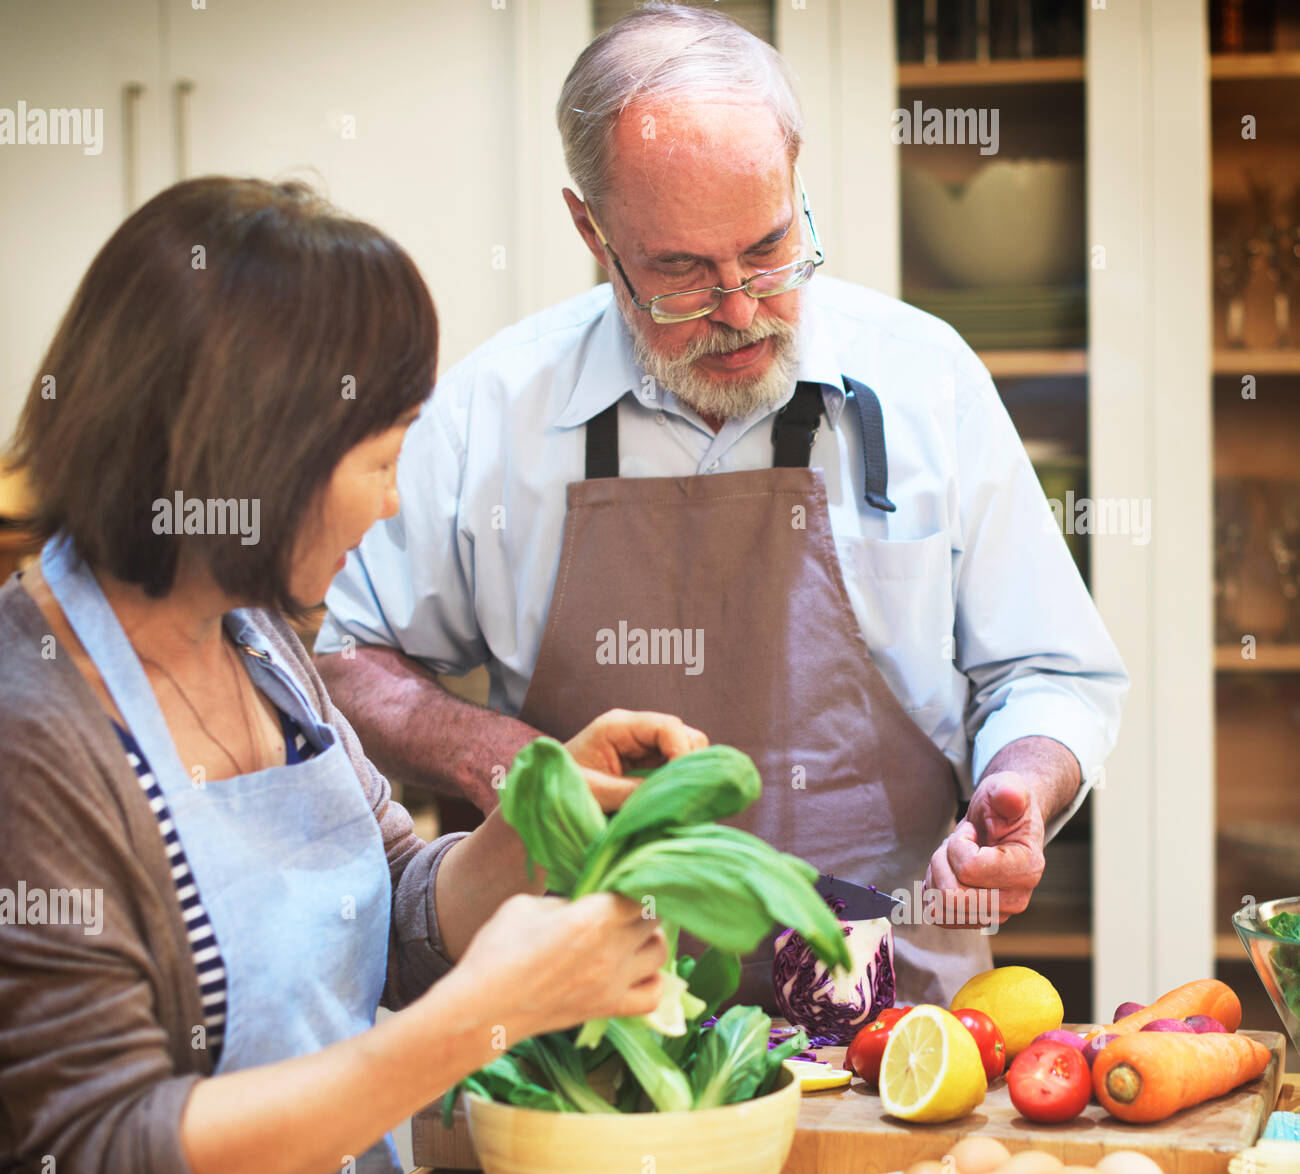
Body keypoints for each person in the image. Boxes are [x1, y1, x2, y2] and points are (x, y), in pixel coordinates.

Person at [315, 2, 1128, 1010]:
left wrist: (1021, 782)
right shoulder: (495, 410)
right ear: (590, 229)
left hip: (899, 1032)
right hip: (594, 1023)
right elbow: (346, 656)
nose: (742, 310)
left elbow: (1049, 668)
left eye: (769, 248)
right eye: (682, 273)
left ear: (794, 175)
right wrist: (502, 762)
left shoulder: (927, 381)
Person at [0, 176, 701, 1174]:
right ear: (252, 455)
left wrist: (532, 821)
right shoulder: (32, 729)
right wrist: (488, 1016)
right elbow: (118, 1166)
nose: (390, 504)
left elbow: (385, 912)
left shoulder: (255, 639)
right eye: (381, 457)